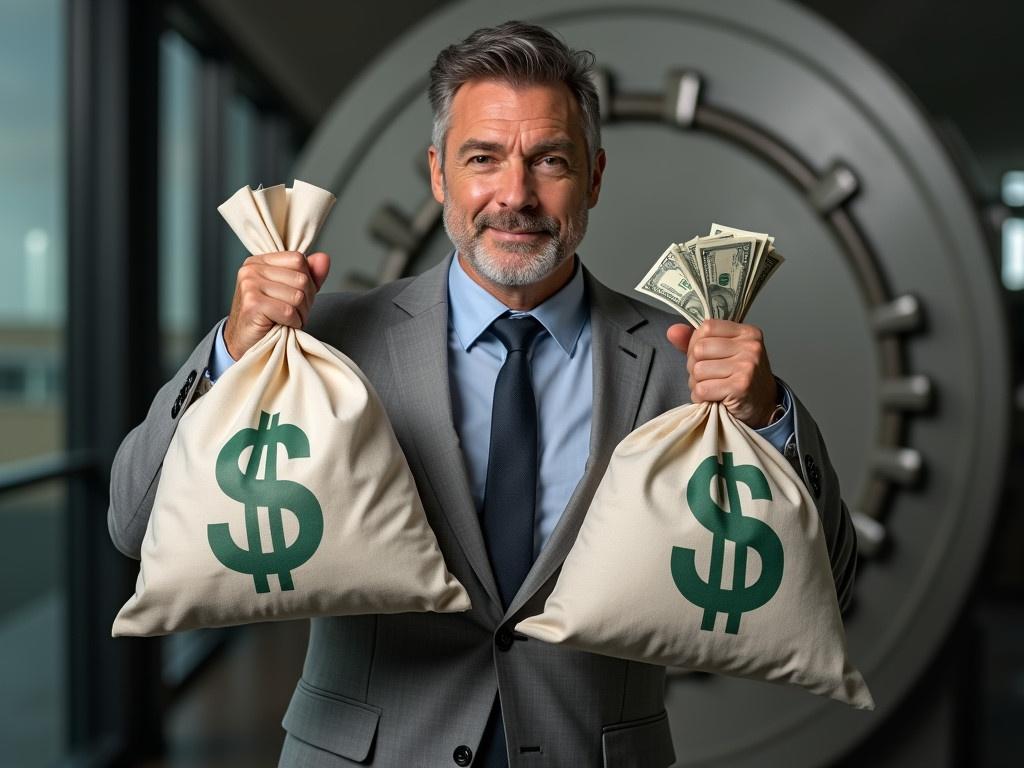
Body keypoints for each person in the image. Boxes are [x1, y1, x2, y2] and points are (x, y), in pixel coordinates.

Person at [108, 20, 857, 768]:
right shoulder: (322, 343)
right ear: (439, 174)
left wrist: (771, 419)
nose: (515, 195)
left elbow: (835, 585)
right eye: (483, 158)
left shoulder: (681, 360)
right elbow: (135, 525)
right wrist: (231, 354)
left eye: (550, 160)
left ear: (594, 177)